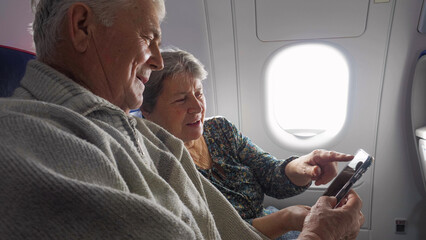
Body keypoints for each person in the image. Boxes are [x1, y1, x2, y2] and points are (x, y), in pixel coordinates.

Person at [0, 0, 364, 239]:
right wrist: (315, 235)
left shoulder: (146, 136)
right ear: (81, 26)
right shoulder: (25, 141)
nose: (156, 60)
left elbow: (228, 231)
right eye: (148, 37)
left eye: (199, 95)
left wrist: (300, 175)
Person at [141, 49, 361, 239]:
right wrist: (285, 219)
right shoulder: (157, 164)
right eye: (181, 99)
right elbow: (208, 233)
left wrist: (303, 166)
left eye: (199, 93)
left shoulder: (220, 130)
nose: (197, 107)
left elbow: (270, 173)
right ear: (146, 110)